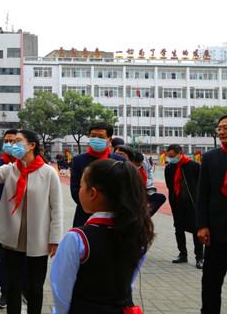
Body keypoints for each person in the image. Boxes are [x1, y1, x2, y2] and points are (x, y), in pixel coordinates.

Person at [51, 159, 155, 313]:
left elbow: (61, 293)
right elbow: (128, 286)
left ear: (92, 193)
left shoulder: (77, 239)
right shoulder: (138, 234)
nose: (79, 190)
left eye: (81, 185)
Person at [0, 130, 63, 314]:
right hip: (12, 239)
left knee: (35, 288)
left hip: (38, 239)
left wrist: (54, 238)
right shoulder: (10, 169)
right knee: (13, 286)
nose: (13, 145)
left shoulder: (48, 173)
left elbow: (57, 208)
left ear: (32, 145)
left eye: (18, 141)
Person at [197, 114, 227, 313]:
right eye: (220, 128)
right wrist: (202, 225)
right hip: (217, 232)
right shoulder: (210, 158)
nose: (222, 131)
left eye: (226, 127)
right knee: (211, 282)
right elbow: (202, 195)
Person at [70, 122, 124, 227]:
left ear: (110, 140)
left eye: (101, 137)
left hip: (112, 217)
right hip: (85, 215)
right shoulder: (78, 160)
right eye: (93, 136)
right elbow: (75, 189)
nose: (96, 139)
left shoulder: (119, 161)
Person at [164, 144, 203, 268]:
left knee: (196, 230)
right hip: (177, 204)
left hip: (192, 204)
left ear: (180, 153)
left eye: (173, 156)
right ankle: (183, 254)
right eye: (169, 156)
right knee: (178, 229)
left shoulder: (194, 166)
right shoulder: (169, 168)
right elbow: (169, 185)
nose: (171, 158)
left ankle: (199, 257)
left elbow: (202, 184)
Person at [0, 129, 18, 309]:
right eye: (6, 140)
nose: (9, 144)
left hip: (19, 219)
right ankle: (5, 292)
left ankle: (18, 289)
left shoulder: (25, 166)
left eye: (13, 141)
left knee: (19, 258)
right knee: (1, 259)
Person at [133, 152, 166, 216]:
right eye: (136, 165)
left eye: (140, 164)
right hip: (134, 194)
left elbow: (149, 174)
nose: (139, 165)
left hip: (144, 190)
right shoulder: (127, 167)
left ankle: (145, 216)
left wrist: (148, 188)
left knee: (161, 198)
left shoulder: (144, 163)